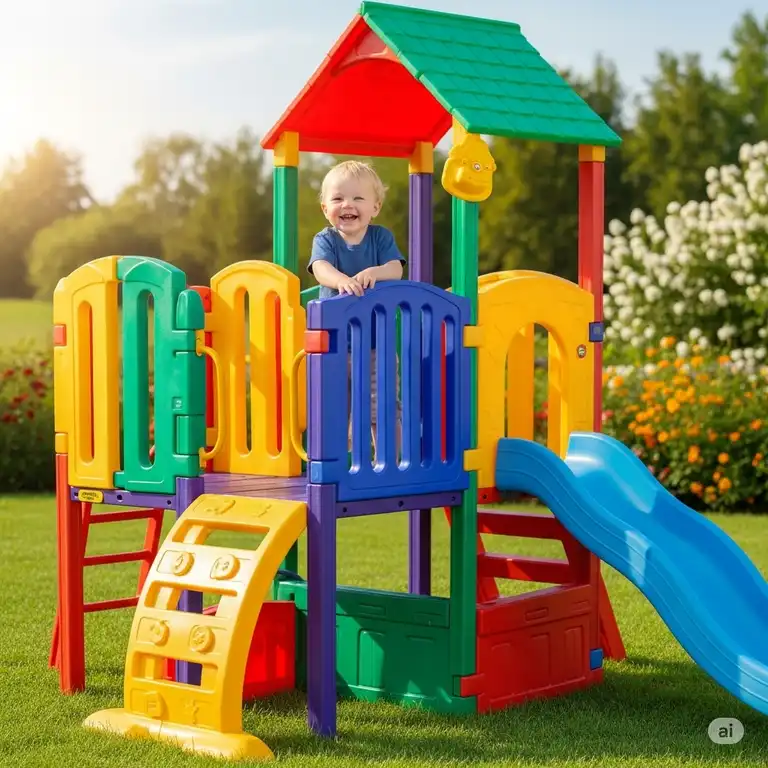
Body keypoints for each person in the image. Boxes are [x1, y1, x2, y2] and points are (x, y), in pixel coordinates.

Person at [307, 160, 405, 461]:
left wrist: (376, 271)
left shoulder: (380, 238)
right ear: (326, 208)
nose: (347, 204)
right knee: (335, 403)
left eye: (357, 198)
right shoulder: (326, 240)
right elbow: (320, 269)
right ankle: (335, 461)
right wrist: (341, 281)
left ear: (375, 207)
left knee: (381, 401)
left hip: (377, 345)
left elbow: (396, 269)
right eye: (337, 199)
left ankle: (388, 459)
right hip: (335, 345)